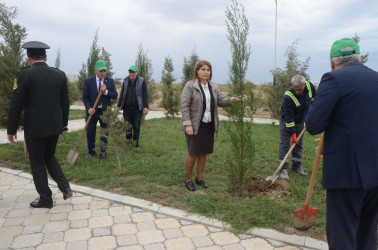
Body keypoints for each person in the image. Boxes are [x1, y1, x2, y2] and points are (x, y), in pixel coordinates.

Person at [305, 38, 378, 250]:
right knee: (367, 233)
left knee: (343, 236)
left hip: (346, 173)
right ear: (360, 58)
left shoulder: (333, 79)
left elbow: (313, 124)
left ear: (332, 63)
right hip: (375, 171)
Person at [7, 41, 72, 208]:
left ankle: (45, 198)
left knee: (37, 162)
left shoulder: (24, 75)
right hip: (54, 126)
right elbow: (65, 103)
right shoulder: (59, 74)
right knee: (49, 156)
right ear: (46, 57)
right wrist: (64, 125)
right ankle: (65, 187)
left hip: (35, 128)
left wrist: (11, 130)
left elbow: (16, 105)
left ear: (28, 58)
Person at [180, 60, 242, 191]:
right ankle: (188, 179)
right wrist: (188, 124)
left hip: (208, 125)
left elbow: (221, 100)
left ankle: (199, 178)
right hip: (194, 125)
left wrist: (233, 100)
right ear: (197, 71)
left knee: (203, 153)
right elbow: (184, 106)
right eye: (203, 69)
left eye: (208, 70)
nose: (206, 72)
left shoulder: (213, 87)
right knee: (193, 153)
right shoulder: (190, 85)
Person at [278, 75, 316, 180]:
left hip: (301, 119)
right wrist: (293, 133)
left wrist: (311, 113)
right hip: (286, 120)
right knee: (285, 144)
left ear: (304, 85)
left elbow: (313, 100)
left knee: (298, 144)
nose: (297, 92)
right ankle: (283, 169)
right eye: (295, 89)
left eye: (300, 89)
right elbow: (289, 117)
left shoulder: (309, 86)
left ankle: (297, 166)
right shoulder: (288, 96)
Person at [83, 60, 118, 159]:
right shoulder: (88, 81)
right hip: (92, 111)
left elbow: (115, 95)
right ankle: (91, 151)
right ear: (95, 70)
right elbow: (85, 97)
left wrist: (106, 91)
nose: (103, 73)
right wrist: (89, 108)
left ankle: (103, 152)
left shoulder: (109, 81)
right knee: (90, 132)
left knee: (104, 132)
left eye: (104, 71)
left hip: (105, 112)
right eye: (101, 71)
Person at [116, 65, 148, 149]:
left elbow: (145, 94)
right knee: (127, 126)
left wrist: (145, 106)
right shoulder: (126, 80)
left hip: (137, 108)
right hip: (126, 108)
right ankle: (128, 143)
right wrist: (118, 105)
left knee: (136, 126)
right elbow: (122, 93)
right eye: (130, 72)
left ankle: (136, 144)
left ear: (137, 73)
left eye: (133, 72)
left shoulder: (141, 81)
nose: (131, 74)